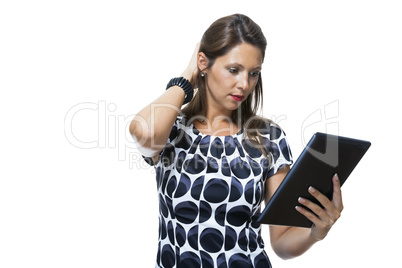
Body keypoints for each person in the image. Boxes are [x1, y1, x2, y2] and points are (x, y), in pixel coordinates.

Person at [129, 13, 343, 268]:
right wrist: (186, 79)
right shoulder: (171, 131)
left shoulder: (268, 138)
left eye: (254, 73)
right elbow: (144, 132)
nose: (244, 84)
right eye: (234, 70)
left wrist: (315, 233)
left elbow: (281, 243)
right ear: (203, 63)